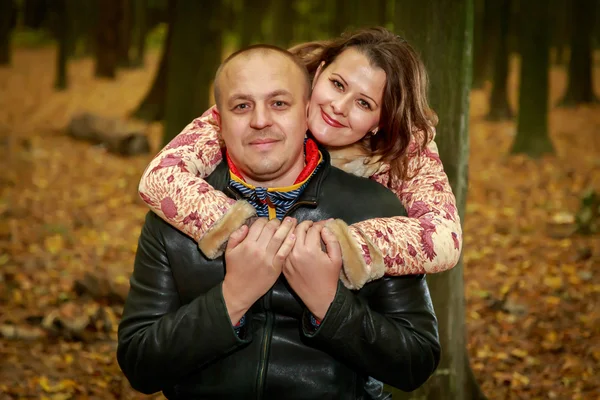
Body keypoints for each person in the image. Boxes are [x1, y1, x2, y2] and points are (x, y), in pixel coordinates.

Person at [118, 45, 440, 399]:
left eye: (279, 104)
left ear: (307, 113)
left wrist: (328, 304)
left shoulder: (375, 207)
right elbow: (140, 364)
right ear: (219, 123)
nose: (260, 121)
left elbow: (416, 362)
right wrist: (232, 298)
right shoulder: (175, 213)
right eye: (242, 106)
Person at [137, 27, 462, 290]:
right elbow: (162, 177)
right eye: (337, 84)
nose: (339, 106)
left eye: (363, 103)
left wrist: (341, 245)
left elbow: (443, 237)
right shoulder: (270, 98)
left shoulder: (407, 147)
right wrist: (250, 232)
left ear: (380, 121)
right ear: (319, 72)